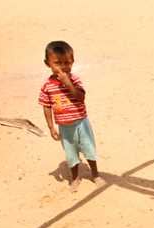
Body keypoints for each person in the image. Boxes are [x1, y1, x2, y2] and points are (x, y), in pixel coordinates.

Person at [38, 40, 105, 191]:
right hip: (64, 127)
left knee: (89, 149)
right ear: (47, 63)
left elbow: (80, 97)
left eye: (67, 63)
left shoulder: (74, 79)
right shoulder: (47, 85)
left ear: (73, 61)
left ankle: (95, 174)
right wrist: (51, 127)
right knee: (70, 153)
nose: (63, 67)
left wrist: (68, 83)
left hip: (81, 123)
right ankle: (75, 178)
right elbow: (46, 106)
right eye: (58, 63)